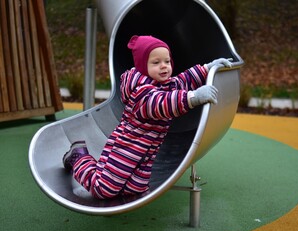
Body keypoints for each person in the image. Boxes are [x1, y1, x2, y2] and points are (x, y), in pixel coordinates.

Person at [62, 35, 232, 199]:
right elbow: (162, 103)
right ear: (143, 66)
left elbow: (182, 80)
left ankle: (118, 183)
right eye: (156, 63)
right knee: (104, 189)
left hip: (147, 151)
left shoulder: (165, 84)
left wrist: (207, 69)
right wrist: (193, 97)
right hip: (125, 148)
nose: (164, 66)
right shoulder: (142, 93)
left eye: (167, 61)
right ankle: (79, 157)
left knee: (136, 187)